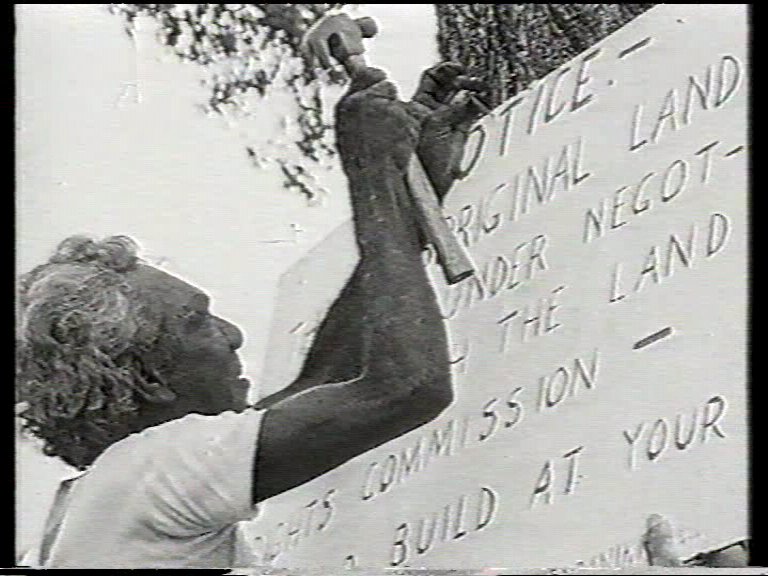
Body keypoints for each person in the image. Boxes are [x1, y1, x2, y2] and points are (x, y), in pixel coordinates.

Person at [15, 51, 485, 567]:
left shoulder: (109, 497)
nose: (232, 334)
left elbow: (331, 377)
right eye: (195, 322)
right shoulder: (152, 467)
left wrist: (407, 192)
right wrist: (372, 172)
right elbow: (409, 388)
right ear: (149, 380)